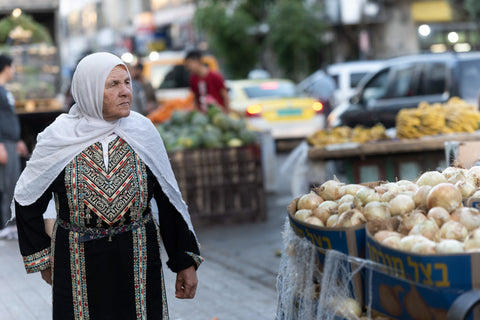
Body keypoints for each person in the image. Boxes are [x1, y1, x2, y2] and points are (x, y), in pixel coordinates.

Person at [13, 52, 202, 319]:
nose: (126, 91)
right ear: (88, 89)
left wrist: (184, 263)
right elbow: (27, 198)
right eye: (113, 84)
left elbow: (169, 200)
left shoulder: (143, 133)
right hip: (77, 262)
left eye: (127, 82)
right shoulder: (59, 139)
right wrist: (43, 259)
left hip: (138, 257)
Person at [0, 54, 28, 239]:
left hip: (11, 142)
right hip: (3, 144)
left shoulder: (4, 90)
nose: (14, 71)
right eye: (13, 66)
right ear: (6, 67)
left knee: (13, 185)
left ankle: (10, 224)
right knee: (6, 185)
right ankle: (5, 226)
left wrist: (17, 139)